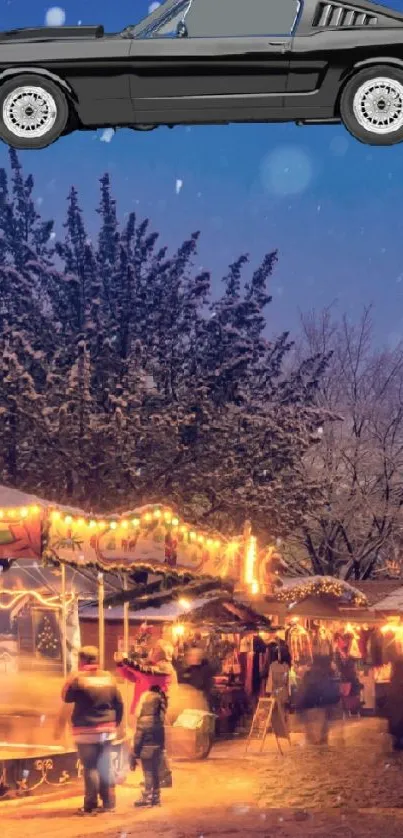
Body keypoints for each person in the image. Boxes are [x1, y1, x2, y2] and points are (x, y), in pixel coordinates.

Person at [58, 645, 124, 816]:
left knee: (91, 767)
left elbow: (65, 697)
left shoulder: (78, 678)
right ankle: (109, 803)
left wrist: (72, 677)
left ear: (82, 660)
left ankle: (90, 805)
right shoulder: (109, 677)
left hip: (86, 731)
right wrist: (115, 723)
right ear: (97, 659)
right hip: (107, 729)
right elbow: (119, 702)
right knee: (105, 766)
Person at [117, 639, 176, 787]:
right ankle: (157, 777)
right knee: (149, 746)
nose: (151, 651)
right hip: (142, 710)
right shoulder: (153, 667)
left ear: (161, 653)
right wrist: (121, 664)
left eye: (154, 649)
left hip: (152, 712)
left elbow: (144, 672)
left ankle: (161, 778)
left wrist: (126, 661)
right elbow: (133, 676)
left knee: (151, 746)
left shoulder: (164, 668)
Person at [131, 684, 167, 808]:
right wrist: (162, 749)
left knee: (148, 773)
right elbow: (162, 738)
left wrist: (134, 753)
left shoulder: (143, 720)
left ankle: (147, 796)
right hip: (157, 749)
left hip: (145, 750)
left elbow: (138, 739)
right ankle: (156, 797)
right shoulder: (159, 720)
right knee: (156, 772)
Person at [296, 654, 340, 746]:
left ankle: (315, 752)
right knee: (321, 736)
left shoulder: (309, 674)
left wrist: (299, 707)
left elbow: (302, 691)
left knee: (313, 737)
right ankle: (320, 752)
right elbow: (330, 691)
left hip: (309, 707)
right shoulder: (325, 674)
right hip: (320, 707)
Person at [385, 659, 403, 750]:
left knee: (397, 724)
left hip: (396, 708)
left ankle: (398, 741)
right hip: (398, 707)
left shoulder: (395, 678)